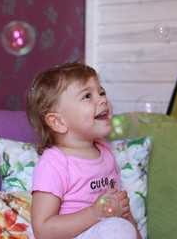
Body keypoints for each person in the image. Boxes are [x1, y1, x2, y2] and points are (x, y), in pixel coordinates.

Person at [26, 61, 141, 239]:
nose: (103, 99)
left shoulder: (105, 152)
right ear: (59, 122)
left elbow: (121, 208)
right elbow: (43, 230)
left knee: (120, 228)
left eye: (101, 92)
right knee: (117, 228)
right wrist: (95, 213)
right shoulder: (54, 163)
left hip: (110, 231)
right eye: (87, 96)